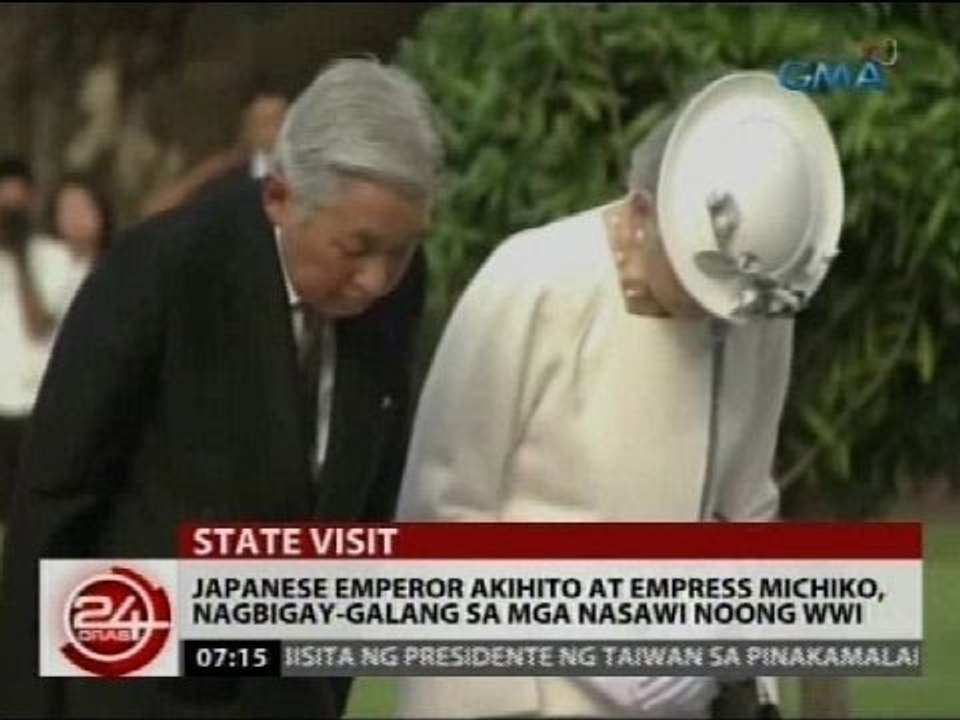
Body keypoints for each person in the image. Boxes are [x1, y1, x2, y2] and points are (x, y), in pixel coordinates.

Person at [0, 58, 443, 719]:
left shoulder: (397, 294)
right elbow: (55, 503)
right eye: (356, 248)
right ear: (281, 197)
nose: (377, 279)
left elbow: (364, 507)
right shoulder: (163, 271)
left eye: (400, 250)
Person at [395, 71, 844, 718]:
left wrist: (745, 670)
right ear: (642, 215)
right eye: (697, 287)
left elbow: (746, 508)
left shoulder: (759, 310)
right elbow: (440, 515)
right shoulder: (532, 282)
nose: (716, 319)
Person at [0, 157, 79, 527]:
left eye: (15, 210)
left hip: (38, 407)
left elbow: (40, 325)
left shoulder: (57, 259)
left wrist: (21, 261)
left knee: (31, 518)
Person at [140, 84, 290, 218]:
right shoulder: (226, 182)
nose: (275, 131)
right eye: (265, 123)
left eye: (279, 120)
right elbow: (154, 212)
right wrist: (214, 167)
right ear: (249, 129)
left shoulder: (301, 172)